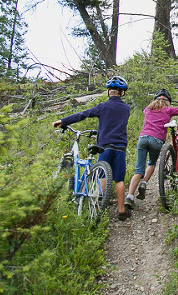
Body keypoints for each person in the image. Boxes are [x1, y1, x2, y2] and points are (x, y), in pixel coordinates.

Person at [52, 76, 132, 220]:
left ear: (108, 91)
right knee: (119, 180)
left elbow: (83, 114)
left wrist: (63, 121)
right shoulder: (126, 108)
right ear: (122, 93)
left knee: (102, 174)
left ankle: (97, 206)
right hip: (120, 146)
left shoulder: (102, 107)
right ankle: (121, 211)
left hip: (104, 146)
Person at [125, 88, 178, 209]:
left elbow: (149, 109)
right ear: (168, 101)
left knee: (138, 170)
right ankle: (143, 183)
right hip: (157, 140)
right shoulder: (168, 110)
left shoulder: (147, 109)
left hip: (143, 138)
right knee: (152, 163)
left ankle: (129, 197)